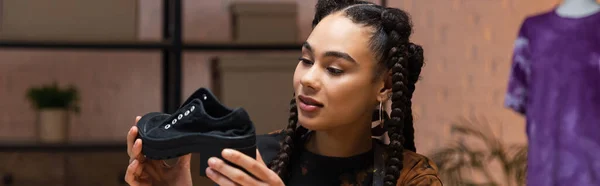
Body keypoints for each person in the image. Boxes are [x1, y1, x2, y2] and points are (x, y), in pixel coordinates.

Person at [125, 0, 442, 185]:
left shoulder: (411, 178)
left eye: (333, 69)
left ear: (384, 86)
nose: (309, 79)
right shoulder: (257, 158)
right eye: (306, 60)